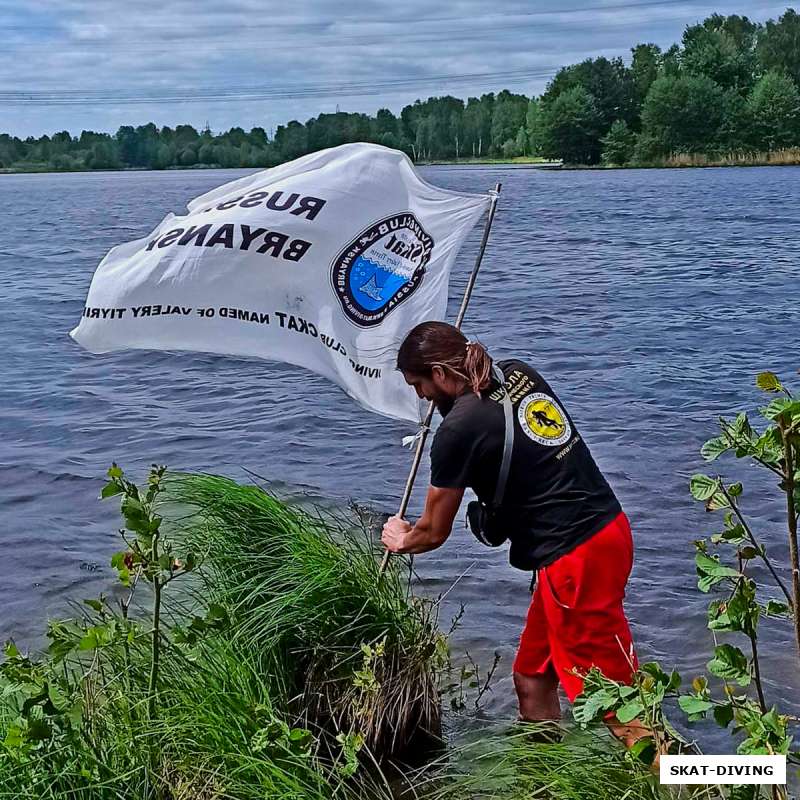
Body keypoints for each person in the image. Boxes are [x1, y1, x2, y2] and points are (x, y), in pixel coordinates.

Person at [381, 321, 644, 743]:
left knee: (618, 706)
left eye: (419, 384)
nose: (421, 398)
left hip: (573, 560)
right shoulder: (518, 372)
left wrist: (401, 537)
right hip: (609, 530)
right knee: (532, 678)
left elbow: (432, 532)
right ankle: (547, 780)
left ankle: (700, 786)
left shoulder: (458, 430)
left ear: (440, 373)